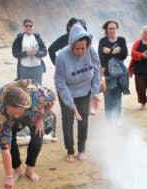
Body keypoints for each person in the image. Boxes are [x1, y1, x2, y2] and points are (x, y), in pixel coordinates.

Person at [0, 80, 55, 189]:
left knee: (38, 135)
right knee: (9, 141)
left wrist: (40, 118)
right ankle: (16, 170)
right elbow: (5, 148)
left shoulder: (38, 94)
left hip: (34, 112)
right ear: (6, 107)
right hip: (7, 119)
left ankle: (30, 170)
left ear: (25, 106)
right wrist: (8, 177)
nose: (17, 116)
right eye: (13, 113)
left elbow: (51, 99)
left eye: (19, 112)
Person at [54, 24, 100, 163]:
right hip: (67, 90)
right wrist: (71, 105)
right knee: (68, 121)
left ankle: (81, 149)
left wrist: (95, 93)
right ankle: (70, 151)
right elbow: (60, 83)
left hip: (84, 91)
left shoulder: (91, 52)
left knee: (83, 120)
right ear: (71, 45)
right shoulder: (62, 56)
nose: (80, 52)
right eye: (77, 49)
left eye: (83, 48)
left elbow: (97, 71)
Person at [98, 20, 128, 122]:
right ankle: (109, 120)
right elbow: (101, 57)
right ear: (106, 29)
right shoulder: (102, 41)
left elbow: (124, 55)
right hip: (107, 74)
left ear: (117, 29)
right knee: (108, 98)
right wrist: (115, 51)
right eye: (110, 28)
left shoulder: (121, 40)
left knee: (118, 97)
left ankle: (117, 119)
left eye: (114, 28)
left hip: (119, 74)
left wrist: (109, 51)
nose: (112, 30)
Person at [12, 18, 47, 84]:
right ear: (23, 27)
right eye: (26, 26)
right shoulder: (19, 38)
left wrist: (37, 53)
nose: (28, 27)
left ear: (33, 27)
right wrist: (26, 53)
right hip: (24, 68)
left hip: (37, 68)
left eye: (30, 26)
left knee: (37, 89)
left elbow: (45, 51)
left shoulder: (37, 37)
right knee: (25, 89)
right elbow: (15, 53)